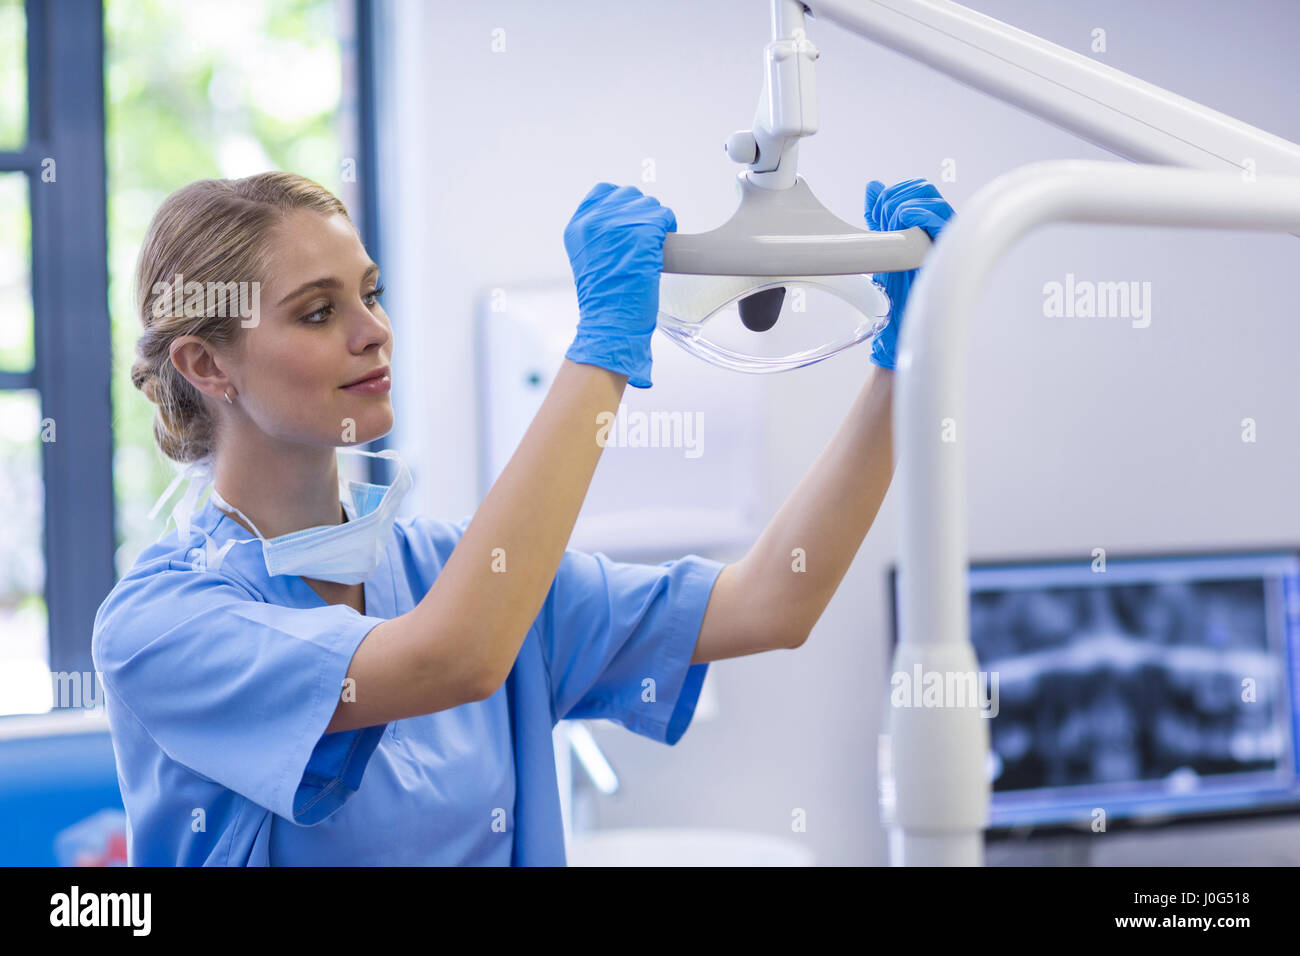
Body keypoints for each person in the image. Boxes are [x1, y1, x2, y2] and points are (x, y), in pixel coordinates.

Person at [91, 170, 954, 865]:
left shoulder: (451, 569)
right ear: (207, 364)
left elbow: (774, 602)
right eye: (319, 312)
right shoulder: (161, 626)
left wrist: (903, 359)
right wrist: (604, 347)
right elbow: (452, 658)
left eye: (371, 293)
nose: (374, 331)